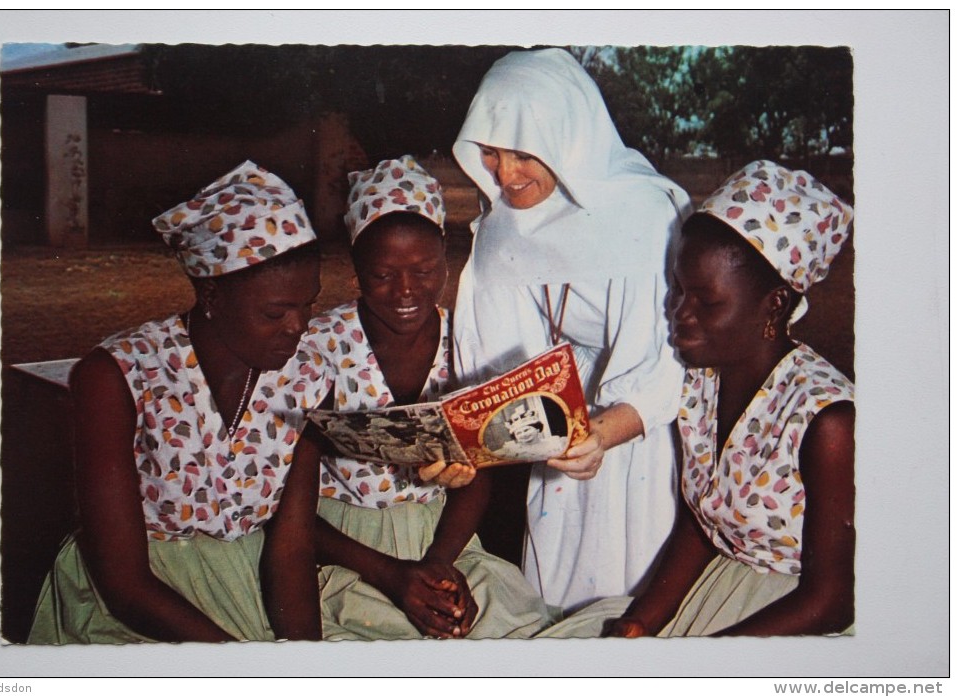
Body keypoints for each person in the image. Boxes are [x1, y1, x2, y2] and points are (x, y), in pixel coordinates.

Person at [28, 161, 325, 643]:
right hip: (139, 607)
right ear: (211, 295)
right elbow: (124, 584)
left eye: (308, 304)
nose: (298, 326)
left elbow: (291, 551)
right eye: (276, 312)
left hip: (249, 590)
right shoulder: (120, 375)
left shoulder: (309, 376)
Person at [451, 48, 691, 612]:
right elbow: (500, 362)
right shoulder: (502, 227)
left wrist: (603, 433)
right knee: (555, 580)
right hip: (560, 417)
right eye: (490, 152)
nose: (505, 175)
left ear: (567, 136)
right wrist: (463, 443)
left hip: (641, 424)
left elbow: (665, 360)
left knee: (635, 572)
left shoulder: (642, 214)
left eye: (523, 153)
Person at [285, 155, 557, 639]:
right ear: (356, 271)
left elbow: (478, 473)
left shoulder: (468, 341)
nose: (406, 291)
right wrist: (393, 576)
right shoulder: (318, 350)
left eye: (425, 270)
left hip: (447, 540)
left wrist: (436, 566)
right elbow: (291, 510)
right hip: (348, 551)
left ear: (447, 264)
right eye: (384, 275)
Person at [595, 160, 856, 637]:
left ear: (774, 304)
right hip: (720, 594)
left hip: (793, 620)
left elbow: (833, 600)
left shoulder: (827, 418)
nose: (679, 314)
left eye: (706, 302)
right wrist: (642, 620)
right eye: (676, 290)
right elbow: (705, 523)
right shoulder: (700, 385)